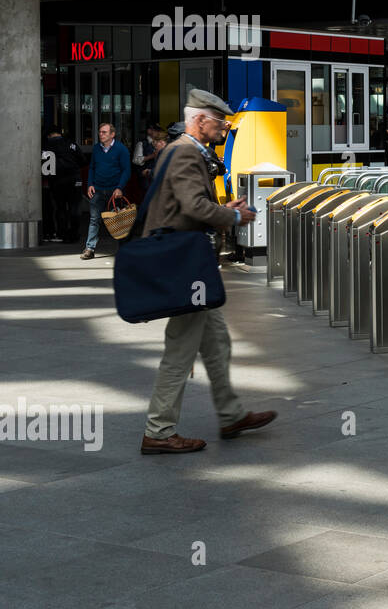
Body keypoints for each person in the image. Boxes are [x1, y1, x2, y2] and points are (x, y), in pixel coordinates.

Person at [138, 89, 276, 455]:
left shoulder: (182, 150)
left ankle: (230, 415)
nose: (224, 129)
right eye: (220, 123)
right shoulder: (185, 152)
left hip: (190, 265)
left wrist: (223, 208)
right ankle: (158, 430)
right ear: (199, 120)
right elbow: (193, 206)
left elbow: (187, 205)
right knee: (181, 349)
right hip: (185, 269)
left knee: (217, 343)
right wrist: (232, 215)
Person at [81, 123, 132, 260]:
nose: (101, 134)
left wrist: (120, 187)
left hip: (114, 191)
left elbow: (127, 171)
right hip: (98, 189)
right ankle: (90, 249)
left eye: (104, 132)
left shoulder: (121, 150)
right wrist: (90, 184)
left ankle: (123, 249)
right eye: (100, 132)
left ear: (112, 134)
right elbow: (92, 167)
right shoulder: (97, 148)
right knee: (94, 219)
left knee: (120, 220)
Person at [45, 127, 83, 243]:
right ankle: (74, 233)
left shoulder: (46, 145)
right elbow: (82, 160)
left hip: (57, 181)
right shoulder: (71, 143)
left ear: (49, 135)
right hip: (74, 179)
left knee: (60, 208)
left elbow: (44, 166)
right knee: (75, 207)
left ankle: (62, 233)